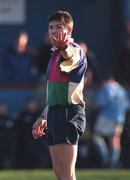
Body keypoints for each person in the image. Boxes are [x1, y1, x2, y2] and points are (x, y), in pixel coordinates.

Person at [32, 10, 87, 180]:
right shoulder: (54, 55)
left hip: (68, 112)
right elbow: (55, 93)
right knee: (58, 172)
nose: (53, 31)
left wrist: (64, 47)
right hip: (55, 112)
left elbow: (69, 54)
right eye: (50, 27)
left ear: (69, 31)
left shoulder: (74, 50)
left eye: (58, 27)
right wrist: (44, 115)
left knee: (67, 173)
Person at [93, 74, 129, 168]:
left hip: (106, 116)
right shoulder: (121, 89)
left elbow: (100, 103)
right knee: (115, 140)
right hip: (120, 118)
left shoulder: (106, 88)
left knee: (97, 136)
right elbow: (127, 105)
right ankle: (113, 163)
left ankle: (105, 159)